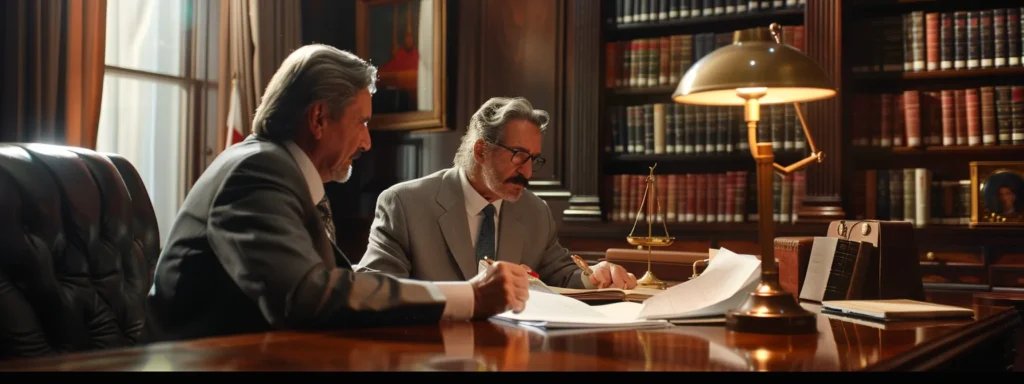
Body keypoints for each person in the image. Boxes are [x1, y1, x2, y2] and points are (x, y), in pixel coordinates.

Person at [146, 45, 528, 342]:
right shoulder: (258, 171)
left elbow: (335, 285)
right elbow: (306, 296)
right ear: (318, 118)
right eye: (361, 122)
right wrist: (470, 297)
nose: (366, 142)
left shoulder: (278, 169)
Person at [355, 97, 638, 290]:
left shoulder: (535, 211)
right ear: (481, 150)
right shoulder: (404, 205)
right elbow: (377, 290)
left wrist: (595, 276)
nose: (527, 172)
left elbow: (564, 276)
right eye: (518, 155)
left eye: (534, 159)